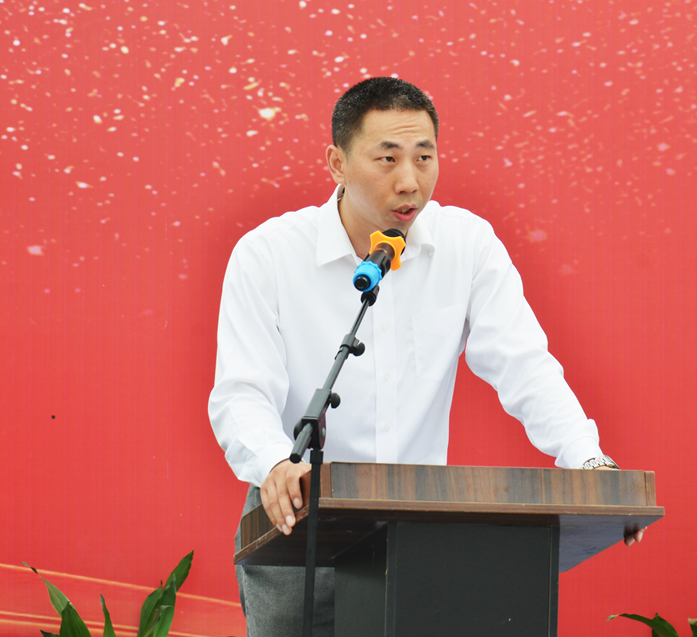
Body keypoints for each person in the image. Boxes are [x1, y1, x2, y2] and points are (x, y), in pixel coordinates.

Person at [208, 77, 642, 637]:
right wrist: (274, 463)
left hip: (418, 528)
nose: (409, 180)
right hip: (299, 522)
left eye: (424, 157)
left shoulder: (466, 245)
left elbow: (524, 365)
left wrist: (587, 459)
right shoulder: (267, 254)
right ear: (337, 164)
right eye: (387, 159)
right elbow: (241, 392)